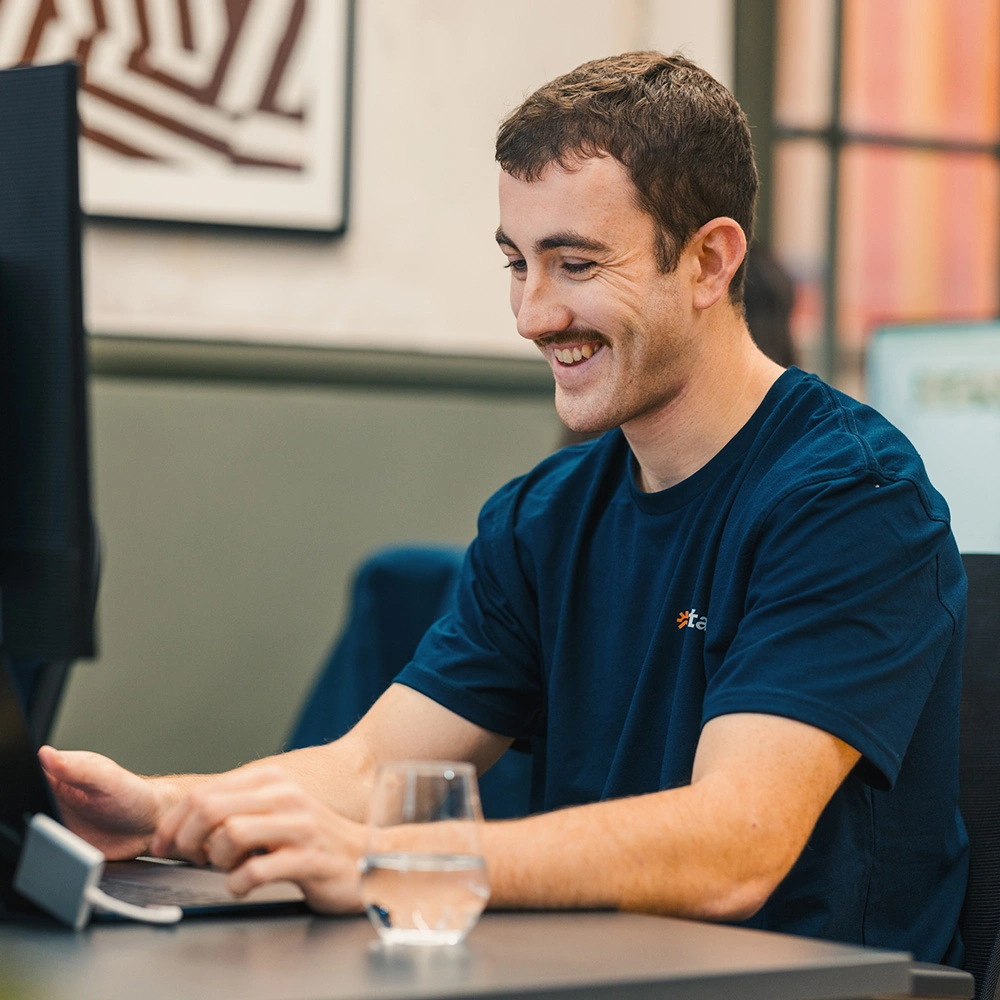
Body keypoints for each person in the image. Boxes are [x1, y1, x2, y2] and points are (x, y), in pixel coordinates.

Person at [39, 52, 968, 962]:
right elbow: (369, 768)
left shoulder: (851, 499)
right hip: (601, 976)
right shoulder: (542, 518)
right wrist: (163, 809)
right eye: (517, 263)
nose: (531, 313)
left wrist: (383, 860)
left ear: (709, 261)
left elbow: (734, 849)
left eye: (575, 264)